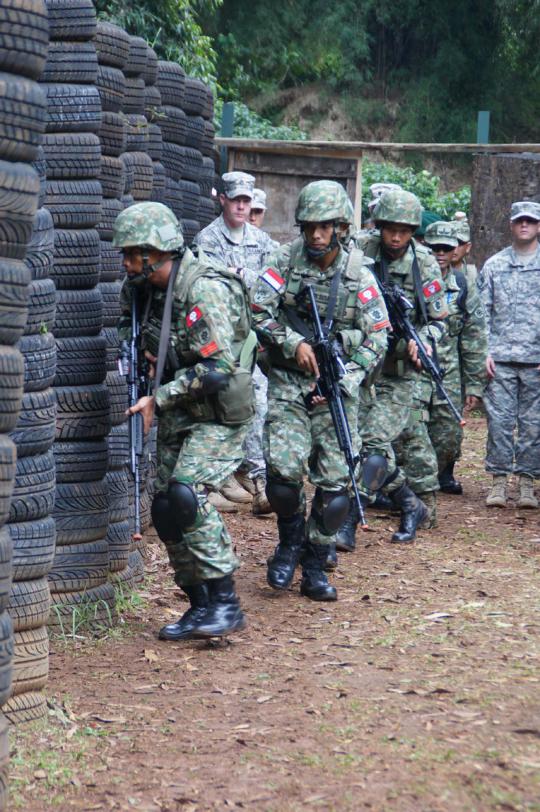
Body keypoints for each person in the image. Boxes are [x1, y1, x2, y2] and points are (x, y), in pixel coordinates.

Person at [113, 202, 256, 640]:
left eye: (132, 254)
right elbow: (127, 332)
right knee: (166, 509)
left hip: (217, 411)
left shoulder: (202, 289)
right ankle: (199, 605)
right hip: (179, 408)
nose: (125, 263)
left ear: (156, 252)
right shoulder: (141, 290)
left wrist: (160, 394)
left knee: (186, 493)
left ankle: (226, 603)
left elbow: (218, 369)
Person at [251, 180, 389, 601]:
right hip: (291, 384)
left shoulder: (357, 275)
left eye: (325, 227)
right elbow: (258, 309)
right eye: (309, 226)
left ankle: (314, 562)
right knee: (283, 476)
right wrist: (292, 343)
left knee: (334, 488)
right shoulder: (283, 262)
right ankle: (289, 544)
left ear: (340, 227)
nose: (316, 235)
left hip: (336, 391)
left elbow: (379, 335)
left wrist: (347, 376)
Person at [337, 189, 448, 548]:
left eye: (404, 230)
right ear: (379, 226)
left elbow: (439, 320)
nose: (396, 237)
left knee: (373, 441)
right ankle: (408, 502)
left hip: (401, 372)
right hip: (363, 365)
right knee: (352, 443)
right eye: (390, 229)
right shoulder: (360, 250)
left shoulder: (425, 265)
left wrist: (426, 339)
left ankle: (350, 520)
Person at [194, 171, 275, 514]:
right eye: (236, 200)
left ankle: (258, 478)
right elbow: (207, 287)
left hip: (255, 334)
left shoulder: (262, 241)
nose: (242, 206)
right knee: (215, 402)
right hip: (221, 336)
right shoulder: (208, 239)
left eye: (247, 200)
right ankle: (213, 479)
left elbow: (274, 281)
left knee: (259, 400)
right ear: (223, 199)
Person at [395, 221, 487, 510]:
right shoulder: (410, 279)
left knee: (449, 433)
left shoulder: (462, 285)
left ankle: (440, 471)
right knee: (410, 428)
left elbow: (473, 338)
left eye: (447, 248)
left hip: (448, 371)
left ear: (456, 250)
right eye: (434, 247)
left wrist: (473, 383)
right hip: (413, 368)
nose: (440, 253)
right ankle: (409, 485)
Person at [479, 200, 540, 508]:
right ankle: (499, 482)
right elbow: (482, 313)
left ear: (539, 225)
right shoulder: (494, 265)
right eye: (519, 221)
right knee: (499, 422)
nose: (524, 225)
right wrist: (485, 351)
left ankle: (528, 483)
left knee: (534, 424)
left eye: (530, 221)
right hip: (500, 360)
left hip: (536, 360)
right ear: (512, 225)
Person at [450, 217, 478, 289]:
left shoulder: (472, 274)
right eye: (451, 243)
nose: (455, 248)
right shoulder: (433, 270)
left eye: (459, 243)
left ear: (468, 247)